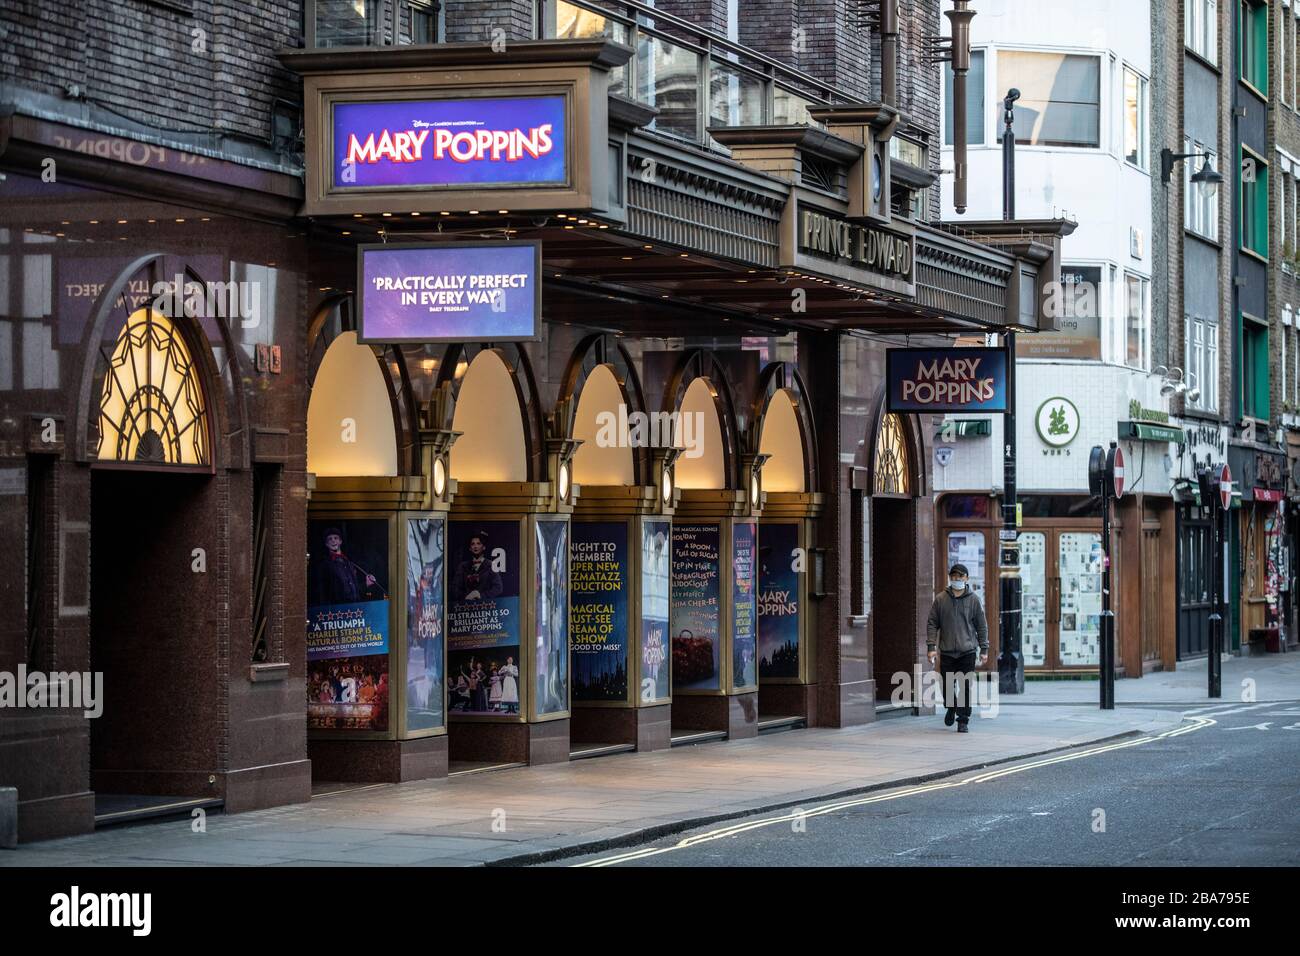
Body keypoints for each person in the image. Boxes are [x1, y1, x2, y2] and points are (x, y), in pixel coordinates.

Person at [926, 563, 988, 733]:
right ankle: (951, 707)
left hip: (967, 651)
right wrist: (931, 646)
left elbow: (981, 626)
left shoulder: (974, 600)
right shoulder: (940, 599)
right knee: (946, 686)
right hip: (946, 651)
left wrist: (984, 649)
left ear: (966, 578)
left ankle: (963, 720)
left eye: (960, 576)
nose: (957, 579)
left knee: (965, 686)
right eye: (953, 576)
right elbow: (932, 623)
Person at [451, 531, 503, 603]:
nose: (475, 546)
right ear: (470, 548)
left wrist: (481, 595)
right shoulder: (462, 566)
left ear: (484, 547)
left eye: (478, 543)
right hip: (466, 606)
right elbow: (455, 588)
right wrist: (466, 596)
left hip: (486, 606)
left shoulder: (491, 565)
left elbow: (498, 588)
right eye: (473, 544)